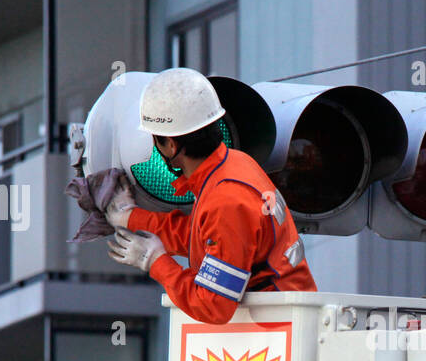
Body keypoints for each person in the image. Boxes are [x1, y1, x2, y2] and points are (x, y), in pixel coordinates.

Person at [104, 68, 317, 323]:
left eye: (155, 140)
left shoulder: (225, 199)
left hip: (276, 332)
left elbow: (213, 306)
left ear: (171, 145)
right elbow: (202, 235)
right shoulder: (235, 165)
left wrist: (155, 262)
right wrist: (130, 218)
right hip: (282, 320)